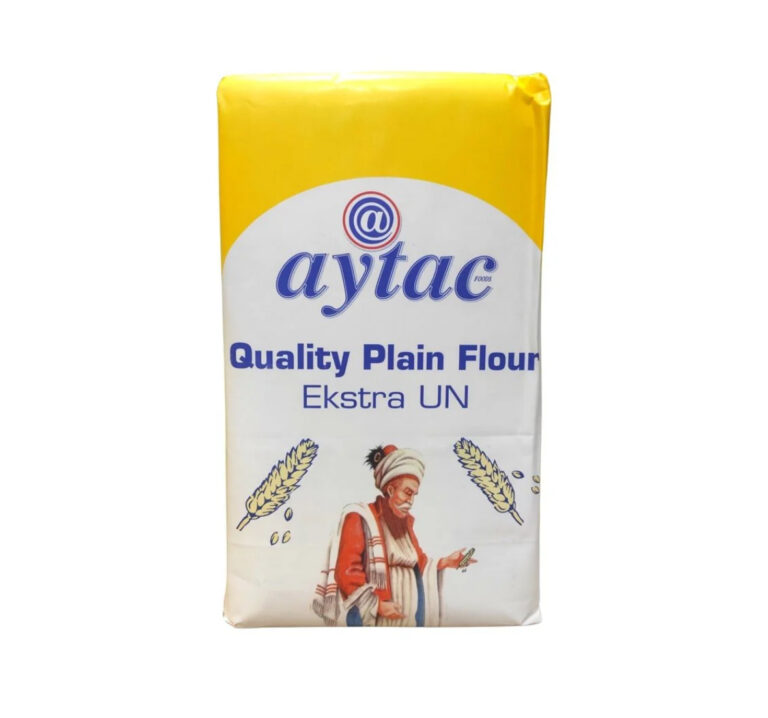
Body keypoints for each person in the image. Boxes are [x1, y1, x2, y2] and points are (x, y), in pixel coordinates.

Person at [312, 444, 475, 626]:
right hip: (375, 620)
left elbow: (418, 563)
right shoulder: (360, 517)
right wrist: (378, 606)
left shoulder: (405, 524)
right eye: (407, 493)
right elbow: (346, 571)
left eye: (414, 495)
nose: (411, 501)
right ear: (390, 490)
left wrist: (446, 562)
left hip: (409, 619)